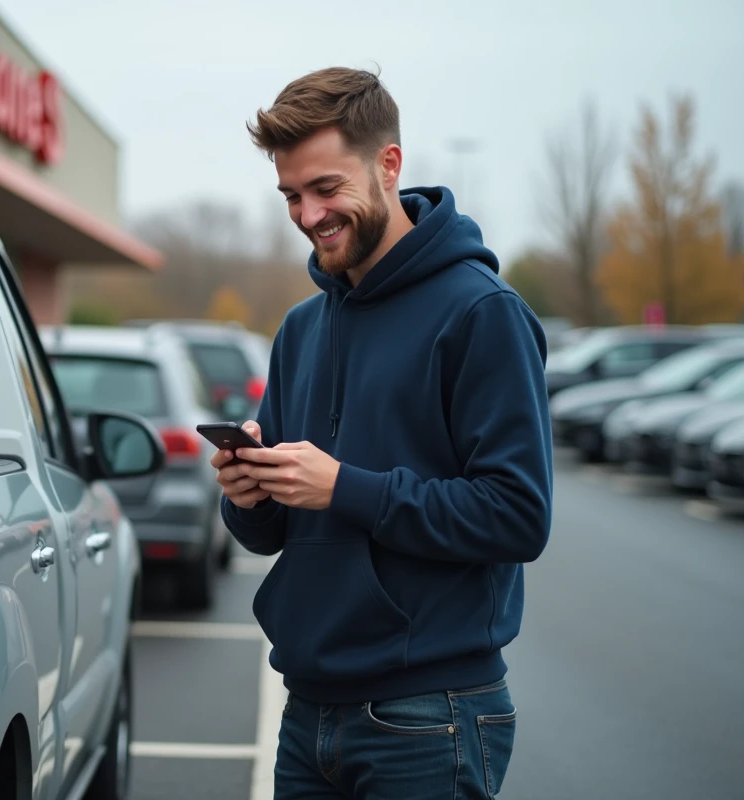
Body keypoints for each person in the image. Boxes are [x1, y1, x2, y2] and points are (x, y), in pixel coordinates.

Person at [211, 67, 553, 799]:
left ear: (389, 164)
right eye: (291, 196)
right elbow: (269, 533)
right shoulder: (302, 329)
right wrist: (248, 495)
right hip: (308, 714)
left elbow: (519, 517)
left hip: (431, 717)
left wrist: (345, 488)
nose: (307, 214)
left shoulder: (481, 313)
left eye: (326, 189)